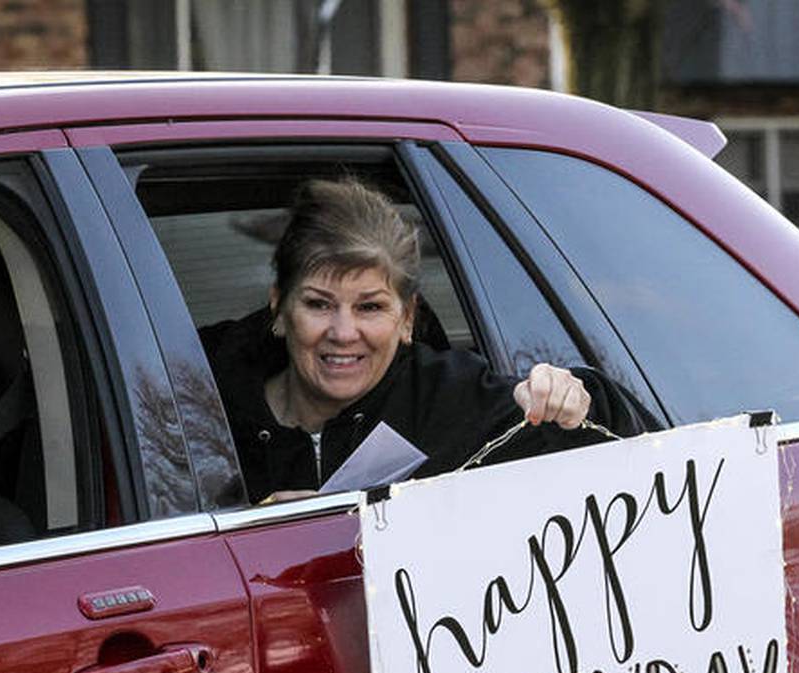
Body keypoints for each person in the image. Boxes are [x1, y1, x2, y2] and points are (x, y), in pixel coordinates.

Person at [201, 177, 637, 504]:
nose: (343, 332)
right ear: (279, 308)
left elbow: (635, 459)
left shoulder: (448, 399)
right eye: (318, 304)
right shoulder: (191, 398)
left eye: (370, 307)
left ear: (407, 318)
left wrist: (577, 396)